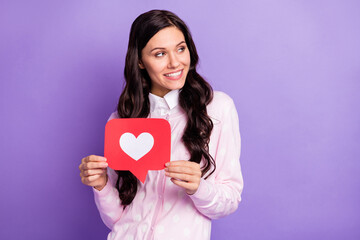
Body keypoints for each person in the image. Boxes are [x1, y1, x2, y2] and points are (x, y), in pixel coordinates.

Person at [79, 9, 243, 240]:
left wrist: (199, 187)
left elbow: (229, 200)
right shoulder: (121, 120)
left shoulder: (217, 109)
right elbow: (117, 219)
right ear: (140, 62)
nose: (175, 62)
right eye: (159, 54)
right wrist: (102, 185)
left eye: (180, 48)